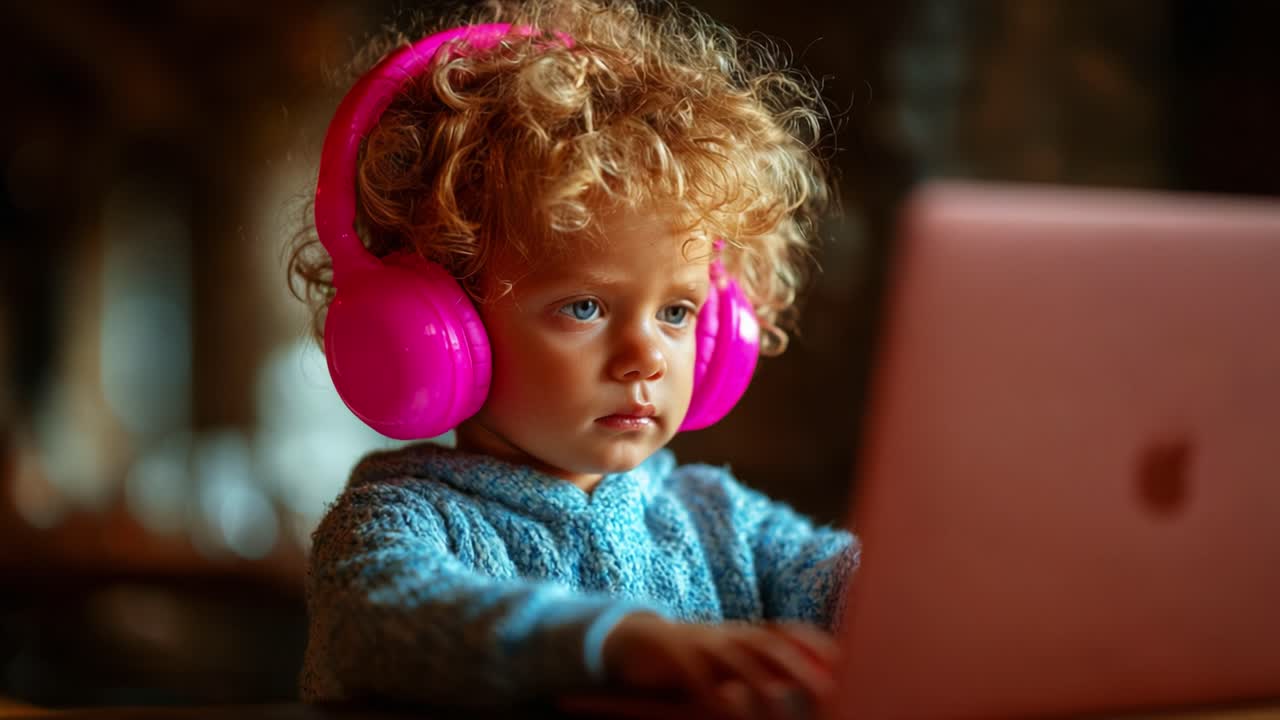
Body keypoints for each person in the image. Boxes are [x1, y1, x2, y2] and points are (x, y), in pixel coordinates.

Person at [287, 0, 858, 717]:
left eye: (677, 312)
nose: (645, 357)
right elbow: (384, 624)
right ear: (442, 328)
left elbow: (845, 582)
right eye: (584, 308)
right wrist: (618, 642)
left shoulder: (718, 520)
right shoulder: (398, 521)